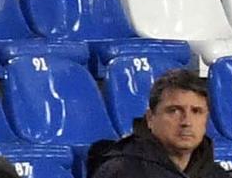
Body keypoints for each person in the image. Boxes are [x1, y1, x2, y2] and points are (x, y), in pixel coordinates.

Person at [88, 69, 221, 178]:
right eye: (174, 111)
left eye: (196, 111)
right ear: (150, 118)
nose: (186, 122)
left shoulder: (215, 174)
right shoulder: (121, 171)